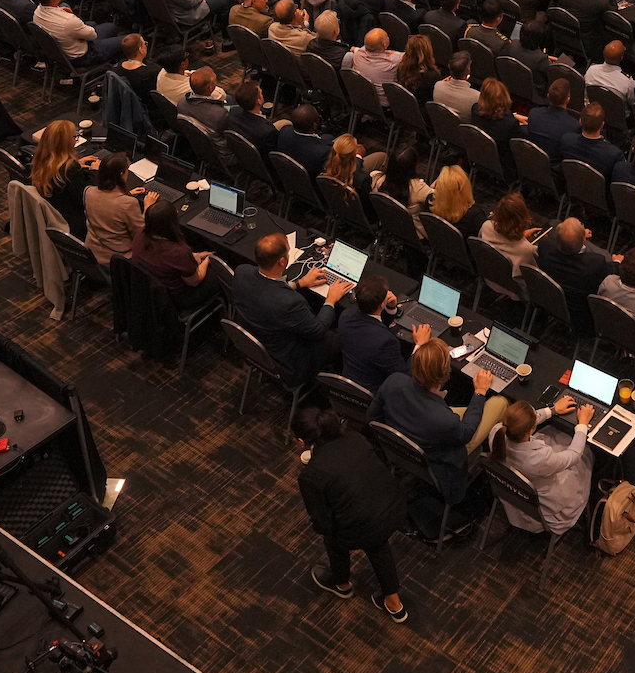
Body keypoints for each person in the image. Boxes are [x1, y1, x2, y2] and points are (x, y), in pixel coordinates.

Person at [370, 338, 509, 534]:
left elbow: (373, 417)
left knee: (462, 411)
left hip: (405, 450)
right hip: (443, 461)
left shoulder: (394, 381)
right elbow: (466, 432)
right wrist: (479, 392)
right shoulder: (445, 420)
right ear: (446, 373)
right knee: (500, 402)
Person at [296, 404, 412, 623]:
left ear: (302, 442)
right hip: (394, 509)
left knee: (334, 535)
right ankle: (394, 603)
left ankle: (341, 584)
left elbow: (321, 522)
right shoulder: (357, 439)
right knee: (376, 540)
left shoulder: (311, 475)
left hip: (363, 526)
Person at [231, 232, 347, 389]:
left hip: (261, 343)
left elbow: (265, 289)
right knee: (344, 331)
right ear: (282, 261)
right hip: (291, 363)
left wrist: (300, 283)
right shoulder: (289, 303)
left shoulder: (241, 272)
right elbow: (318, 331)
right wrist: (330, 300)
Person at [489, 397, 594, 537]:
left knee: (551, 434)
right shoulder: (540, 459)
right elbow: (574, 455)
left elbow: (520, 424)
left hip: (515, 496)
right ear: (531, 430)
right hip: (546, 505)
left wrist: (552, 410)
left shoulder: (496, 433)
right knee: (586, 454)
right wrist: (583, 424)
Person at [129, 198, 213, 297]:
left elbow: (169, 262)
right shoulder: (178, 252)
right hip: (175, 297)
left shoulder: (140, 234)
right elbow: (194, 281)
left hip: (149, 290)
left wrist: (196, 256)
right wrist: (208, 260)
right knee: (215, 275)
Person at [82, 153, 149, 265]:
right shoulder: (128, 204)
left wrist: (127, 195)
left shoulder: (88, 191)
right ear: (121, 174)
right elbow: (141, 236)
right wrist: (148, 207)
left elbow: (107, 203)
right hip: (118, 259)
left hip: (93, 253)